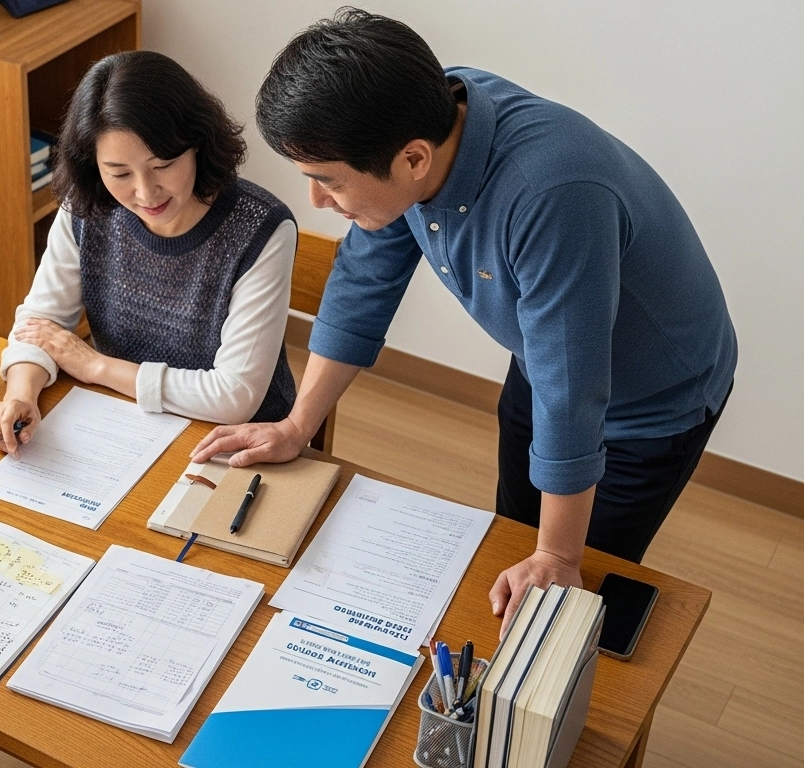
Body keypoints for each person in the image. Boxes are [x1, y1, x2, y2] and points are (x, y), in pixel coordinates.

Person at [193, 9, 736, 634]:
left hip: (652, 398)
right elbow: (363, 284)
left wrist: (559, 557)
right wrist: (296, 425)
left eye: (327, 181)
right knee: (513, 536)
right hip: (544, 356)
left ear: (414, 160)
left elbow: (574, 391)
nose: (316, 199)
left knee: (569, 594)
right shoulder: (419, 119)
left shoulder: (552, 195)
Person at [0, 50, 299, 453]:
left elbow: (234, 395)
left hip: (238, 442)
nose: (146, 192)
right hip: (123, 420)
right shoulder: (88, 205)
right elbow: (42, 321)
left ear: (197, 145)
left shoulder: (261, 229)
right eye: (119, 173)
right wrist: (21, 391)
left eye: (163, 165)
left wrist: (96, 366)